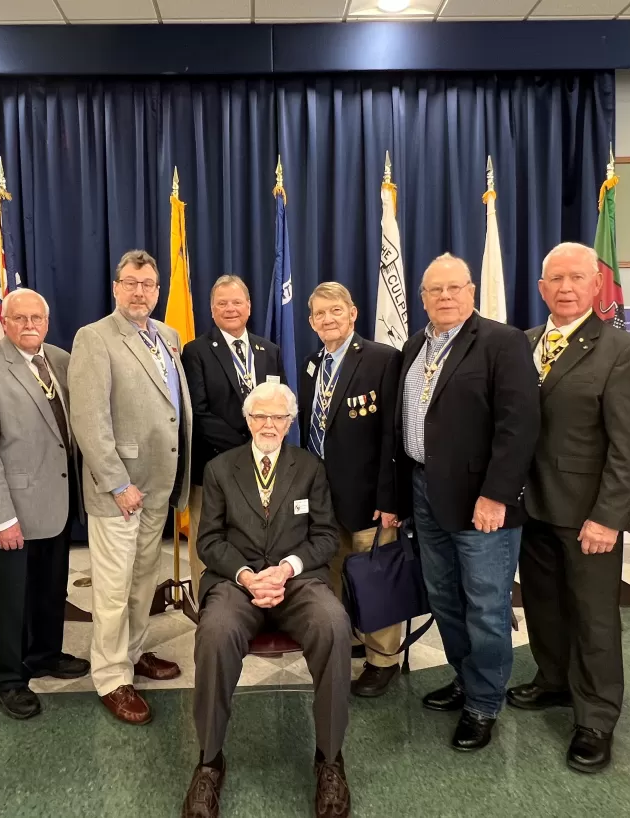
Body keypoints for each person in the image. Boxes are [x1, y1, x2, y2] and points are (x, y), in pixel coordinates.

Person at [508, 243, 630, 773]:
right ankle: (552, 682)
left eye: (576, 278)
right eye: (555, 280)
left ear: (596, 285)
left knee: (593, 618)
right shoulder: (521, 344)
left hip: (587, 513)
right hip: (530, 507)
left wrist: (609, 516)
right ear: (542, 288)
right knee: (542, 605)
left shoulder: (622, 351)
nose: (565, 288)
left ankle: (596, 717)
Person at [180, 382, 351, 818]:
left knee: (333, 623)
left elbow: (326, 535)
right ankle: (209, 759)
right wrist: (248, 575)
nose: (268, 425)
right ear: (248, 420)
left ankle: (330, 759)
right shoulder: (220, 469)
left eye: (278, 417)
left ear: (290, 423)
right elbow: (210, 540)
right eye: (260, 416)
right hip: (238, 583)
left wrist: (288, 568)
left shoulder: (311, 468)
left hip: (297, 580)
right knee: (215, 633)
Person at [396, 253, 540, 752]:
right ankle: (464, 676)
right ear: (422, 299)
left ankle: (484, 702)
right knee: (443, 597)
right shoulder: (415, 345)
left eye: (454, 288)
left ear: (472, 292)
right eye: (435, 290)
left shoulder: (503, 343)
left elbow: (519, 426)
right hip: (424, 492)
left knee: (485, 604)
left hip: (483, 502)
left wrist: (497, 495)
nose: (445, 297)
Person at [68, 249, 192, 726]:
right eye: (131, 283)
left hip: (159, 486)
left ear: (158, 291)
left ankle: (134, 653)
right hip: (120, 492)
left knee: (144, 584)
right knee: (115, 589)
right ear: (115, 287)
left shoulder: (167, 335)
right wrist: (117, 482)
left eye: (148, 284)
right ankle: (111, 676)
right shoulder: (94, 338)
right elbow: (89, 419)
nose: (140, 292)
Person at [0, 287, 90, 721]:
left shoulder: (61, 359)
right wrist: (0, 518)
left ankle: (45, 654)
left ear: (47, 322)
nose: (30, 325)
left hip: (57, 500)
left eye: (37, 318)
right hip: (11, 510)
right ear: (4, 319)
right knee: (13, 599)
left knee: (51, 587)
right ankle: (10, 678)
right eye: (20, 318)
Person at [297, 282, 403, 697]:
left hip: (369, 499)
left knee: (375, 576)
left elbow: (392, 437)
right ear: (310, 322)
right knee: (336, 574)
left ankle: (383, 659)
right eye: (319, 314)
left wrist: (389, 498)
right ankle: (354, 638)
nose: (327, 319)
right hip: (324, 499)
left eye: (334, 311)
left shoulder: (381, 359)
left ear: (353, 313)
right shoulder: (310, 365)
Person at [182, 275, 285, 601]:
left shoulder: (269, 351)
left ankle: (252, 600)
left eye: (236, 302)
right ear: (212, 310)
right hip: (214, 465)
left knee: (255, 536)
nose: (230, 309)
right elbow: (199, 413)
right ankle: (207, 606)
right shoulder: (196, 351)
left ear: (249, 307)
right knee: (208, 537)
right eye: (222, 303)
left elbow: (279, 404)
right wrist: (246, 450)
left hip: (264, 466)